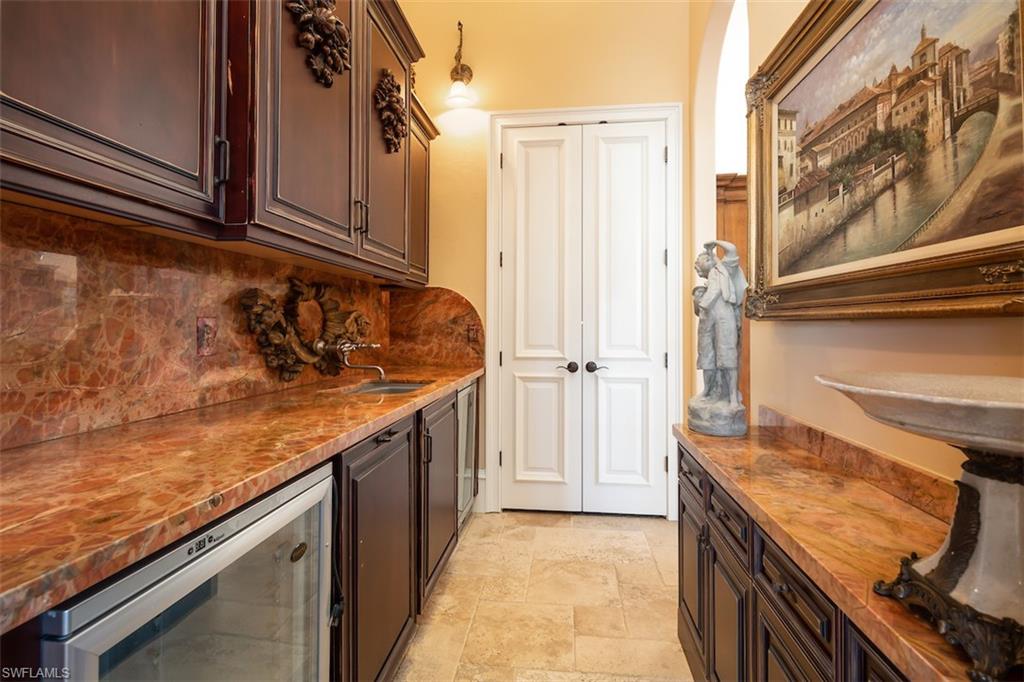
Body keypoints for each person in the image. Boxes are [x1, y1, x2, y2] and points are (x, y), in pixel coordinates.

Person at [693, 240, 748, 408]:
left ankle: (732, 397)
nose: (701, 261)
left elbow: (732, 249)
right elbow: (698, 310)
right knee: (707, 357)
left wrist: (714, 244)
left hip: (725, 317)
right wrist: (697, 300)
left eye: (704, 259)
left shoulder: (724, 269)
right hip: (708, 319)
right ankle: (708, 391)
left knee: (728, 355)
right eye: (700, 262)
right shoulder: (706, 285)